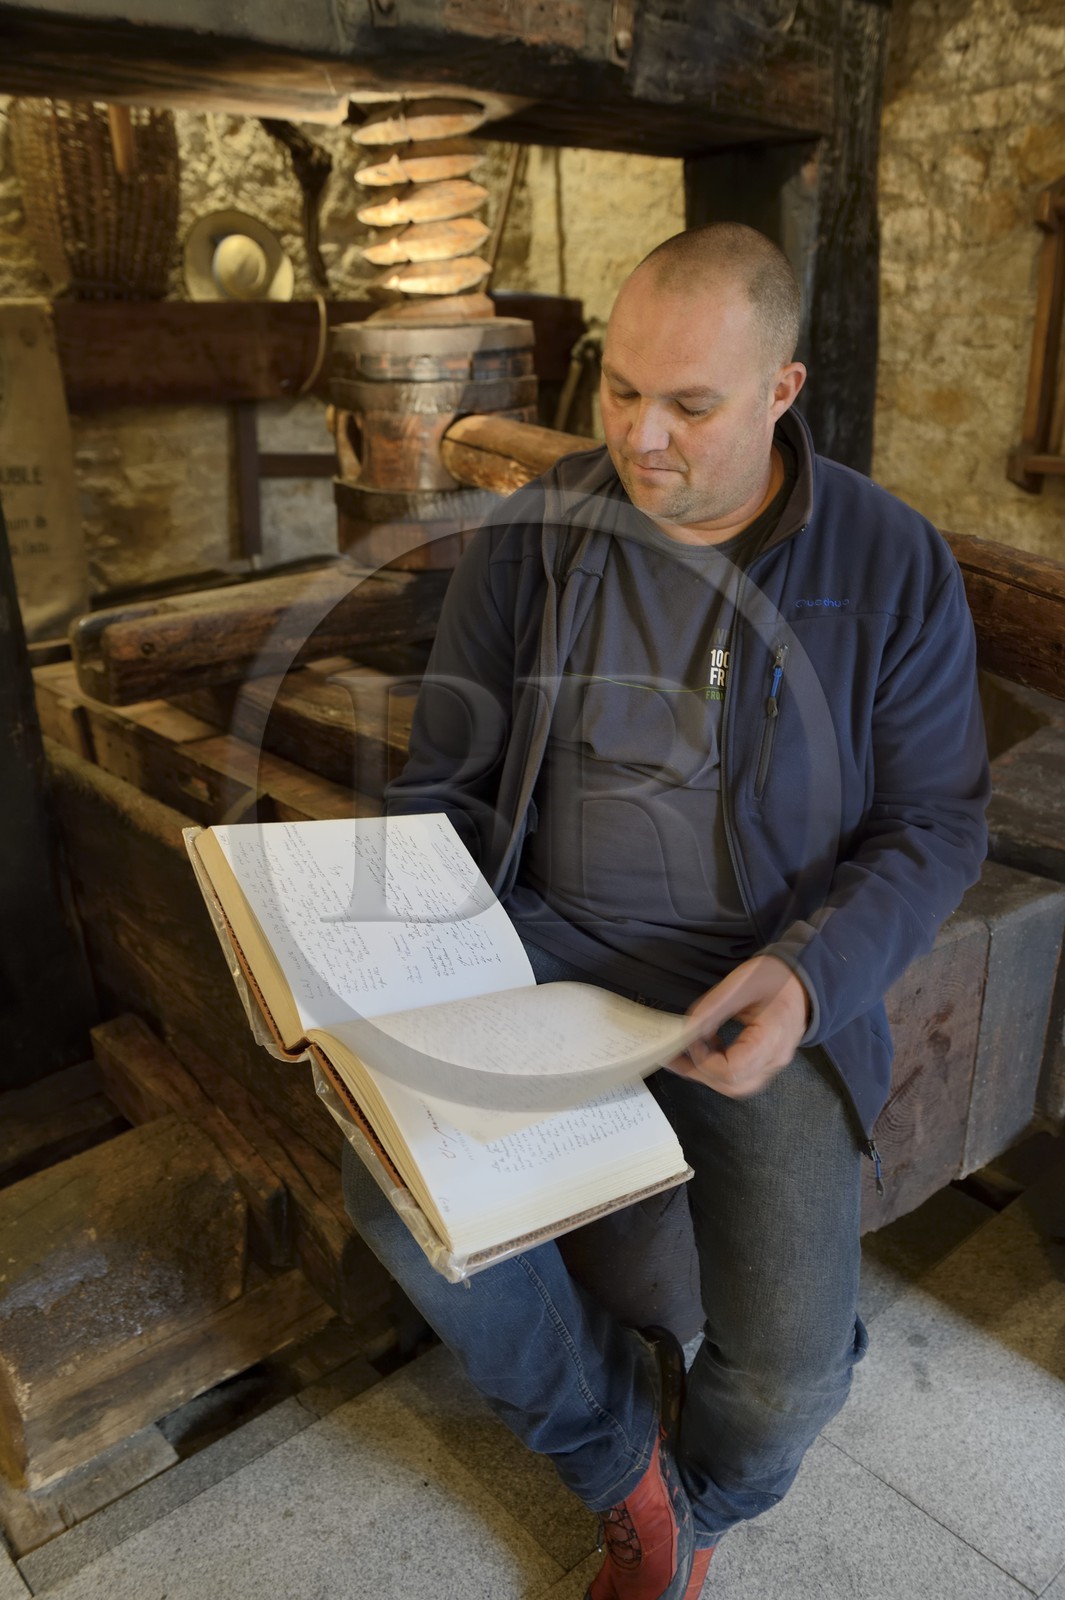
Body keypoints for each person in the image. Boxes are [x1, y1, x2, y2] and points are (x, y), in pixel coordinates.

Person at [341, 222, 990, 1599]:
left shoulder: (885, 563)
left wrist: (808, 985)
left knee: (792, 1369)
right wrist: (396, 960)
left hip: (752, 985)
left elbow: (937, 823)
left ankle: (700, 1501)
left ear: (779, 390)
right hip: (542, 950)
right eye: (619, 390)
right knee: (393, 1184)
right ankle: (616, 1463)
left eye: (690, 404)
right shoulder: (534, 537)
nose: (641, 438)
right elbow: (446, 788)